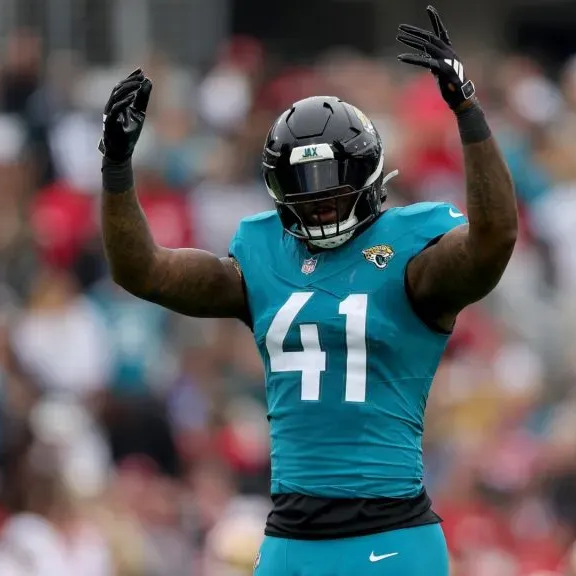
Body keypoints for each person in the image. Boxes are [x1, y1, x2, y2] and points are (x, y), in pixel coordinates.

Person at [98, 6, 517, 574]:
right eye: (304, 191)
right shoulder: (261, 254)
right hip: (288, 539)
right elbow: (141, 271)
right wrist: (118, 168)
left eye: (332, 191)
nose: (320, 204)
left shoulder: (411, 253)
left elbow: (493, 240)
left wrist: (467, 110)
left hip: (387, 535)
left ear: (368, 178)